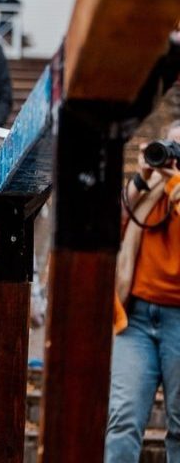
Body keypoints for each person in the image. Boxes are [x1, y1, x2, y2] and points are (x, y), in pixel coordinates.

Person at [108, 113, 180, 461]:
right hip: (136, 318)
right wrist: (142, 178)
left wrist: (174, 185)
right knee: (122, 418)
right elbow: (112, 225)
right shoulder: (147, 192)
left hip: (179, 319)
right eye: (170, 147)